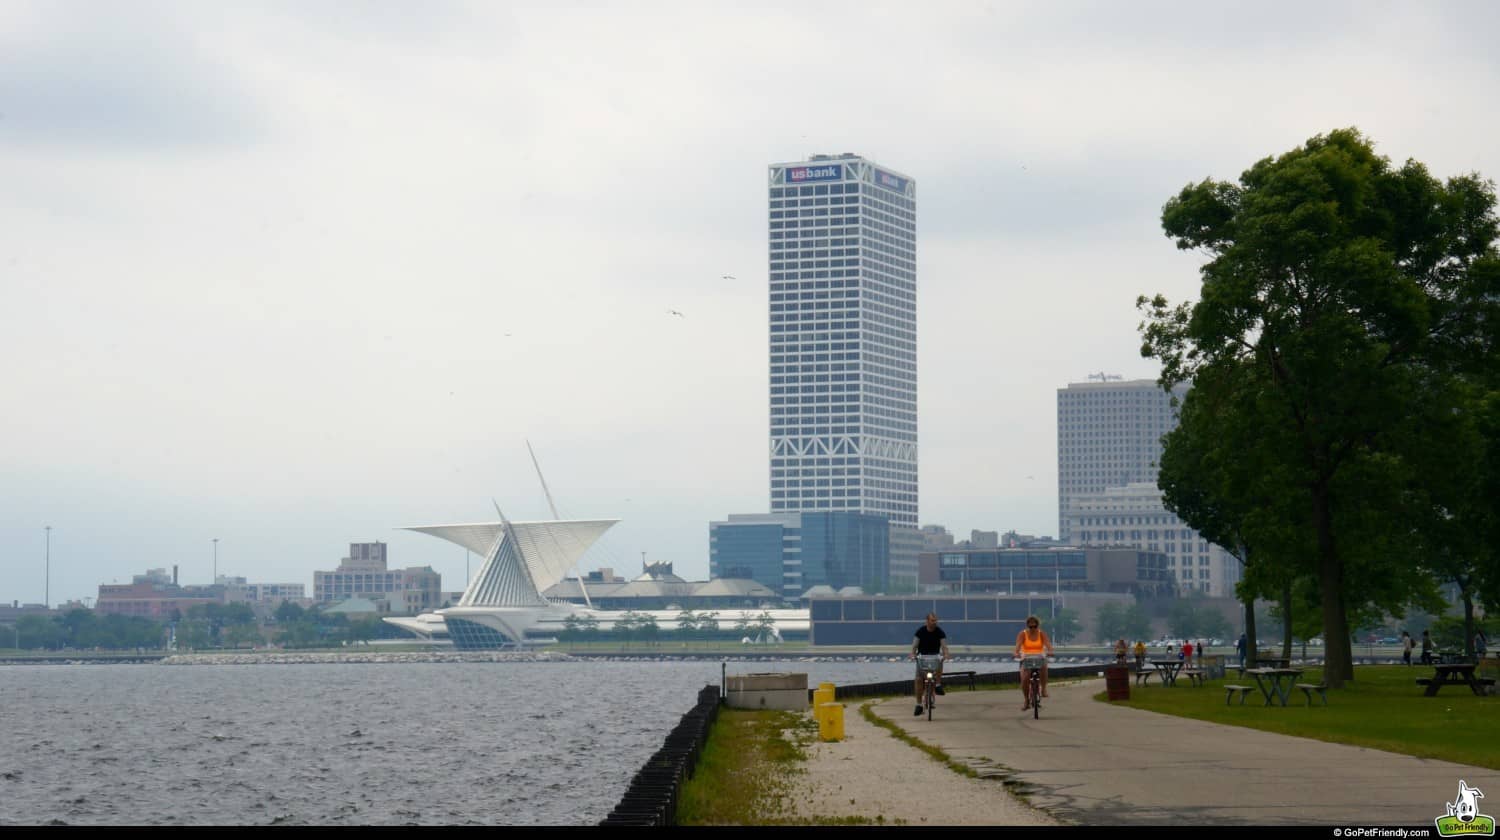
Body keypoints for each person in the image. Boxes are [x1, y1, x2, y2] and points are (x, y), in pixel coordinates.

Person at [910, 612, 949, 716]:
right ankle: (918, 704)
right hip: (922, 657)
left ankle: (938, 684)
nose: (934, 622)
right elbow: (914, 646)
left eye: (936, 620)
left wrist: (946, 654)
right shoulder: (920, 632)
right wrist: (913, 654)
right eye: (932, 620)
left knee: (940, 661)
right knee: (918, 679)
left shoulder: (940, 632)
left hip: (934, 657)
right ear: (927, 621)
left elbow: (944, 646)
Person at [1014, 615, 1054, 711]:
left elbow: (1048, 644)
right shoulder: (1023, 634)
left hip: (1039, 655)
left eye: (1034, 626)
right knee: (1025, 678)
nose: (1032, 628)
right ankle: (1026, 700)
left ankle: (1043, 689)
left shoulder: (1041, 634)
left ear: (1037, 626)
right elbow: (1018, 645)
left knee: (1044, 666)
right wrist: (1016, 653)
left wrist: (1050, 651)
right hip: (1026, 656)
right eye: (1030, 626)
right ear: (1027, 626)